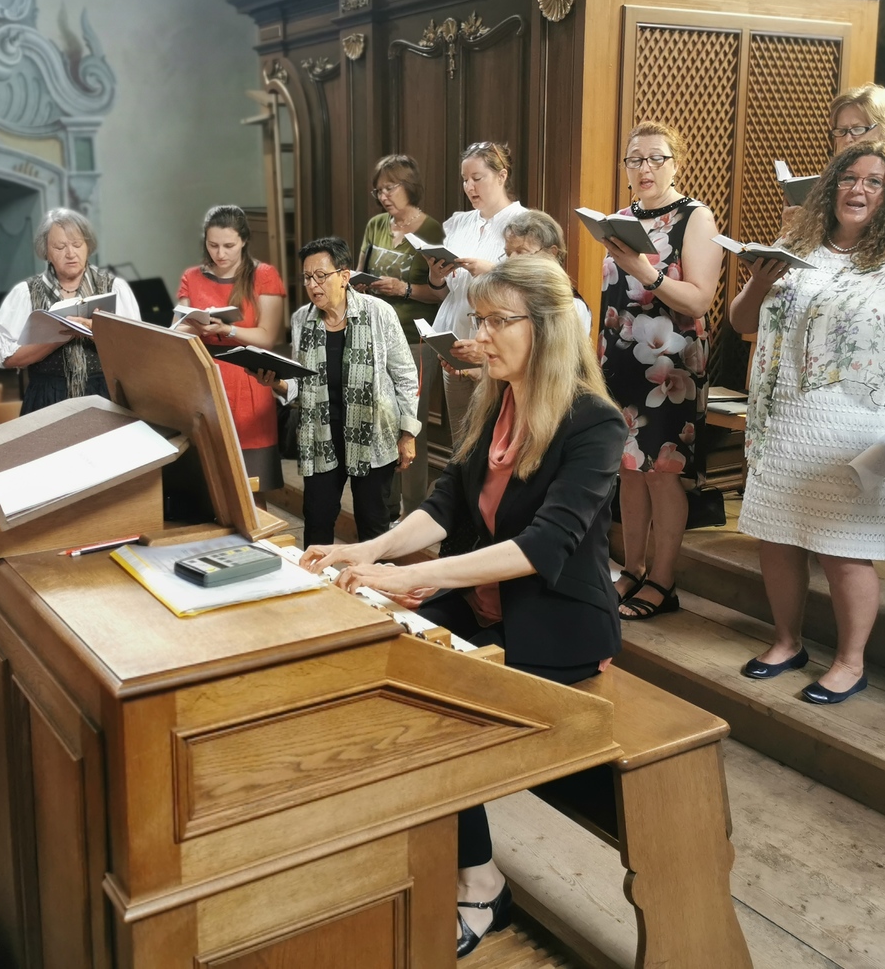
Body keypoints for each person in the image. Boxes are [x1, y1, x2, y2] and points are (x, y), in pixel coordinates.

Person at [300, 255, 626, 958]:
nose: (480, 336)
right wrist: (368, 551)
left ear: (546, 327)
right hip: (483, 608)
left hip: (558, 626)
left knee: (434, 706)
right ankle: (416, 840)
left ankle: (480, 880)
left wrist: (417, 575)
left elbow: (543, 547)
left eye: (497, 321)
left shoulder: (593, 422)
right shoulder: (496, 398)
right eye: (479, 319)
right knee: (376, 664)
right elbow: (446, 504)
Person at [730, 142, 885, 704]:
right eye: (849, 177)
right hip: (782, 416)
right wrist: (760, 278)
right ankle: (787, 642)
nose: (859, 189)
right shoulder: (796, 242)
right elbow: (741, 320)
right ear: (830, 187)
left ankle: (851, 663)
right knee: (777, 537)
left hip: (855, 425)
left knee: (844, 548)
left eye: (875, 182)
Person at [598, 122, 719, 620]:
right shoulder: (620, 219)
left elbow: (699, 299)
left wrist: (647, 271)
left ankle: (664, 582)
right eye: (634, 159)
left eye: (655, 158)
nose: (644, 168)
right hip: (621, 361)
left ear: (676, 164)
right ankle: (633, 568)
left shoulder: (695, 218)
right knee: (629, 472)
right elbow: (613, 300)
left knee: (662, 473)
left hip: (672, 367)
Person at [258, 237, 420, 547]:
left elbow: (406, 377)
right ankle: (316, 577)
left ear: (344, 276)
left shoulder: (378, 313)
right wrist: (276, 383)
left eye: (321, 276)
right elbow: (300, 383)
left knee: (373, 523)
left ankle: (373, 579)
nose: (312, 285)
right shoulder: (302, 320)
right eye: (307, 277)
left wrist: (408, 434)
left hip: (372, 435)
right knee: (317, 519)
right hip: (321, 436)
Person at [355, 155, 446, 518]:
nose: (383, 197)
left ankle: (414, 513)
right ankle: (385, 510)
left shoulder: (432, 230)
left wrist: (403, 288)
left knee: (410, 428)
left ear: (409, 185)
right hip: (375, 336)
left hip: (415, 340)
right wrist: (360, 283)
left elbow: (442, 293)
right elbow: (359, 272)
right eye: (378, 191)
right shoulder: (376, 225)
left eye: (389, 188)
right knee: (380, 424)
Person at [175, 205, 287, 493]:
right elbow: (174, 330)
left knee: (252, 488)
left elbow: (267, 337)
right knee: (209, 487)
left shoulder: (263, 275)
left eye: (229, 246)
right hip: (205, 380)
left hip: (247, 379)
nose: (220, 253)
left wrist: (227, 330)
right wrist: (200, 326)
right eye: (213, 245)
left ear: (244, 241)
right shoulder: (192, 276)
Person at [0, 208, 141, 412]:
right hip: (47, 398)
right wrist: (58, 337)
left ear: (88, 246)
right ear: (46, 252)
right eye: (60, 247)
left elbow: (135, 350)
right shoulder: (25, 293)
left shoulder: (114, 288)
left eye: (77, 244)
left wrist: (96, 331)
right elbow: (10, 359)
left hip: (103, 395)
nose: (70, 254)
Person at [429, 142, 527, 447]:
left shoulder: (524, 223)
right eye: (465, 180)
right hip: (454, 342)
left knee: (496, 441)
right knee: (461, 441)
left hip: (496, 348)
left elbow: (535, 287)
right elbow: (444, 292)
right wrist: (436, 276)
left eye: (477, 178)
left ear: (501, 175)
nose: (469, 187)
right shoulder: (459, 222)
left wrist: (491, 271)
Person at [780, 84, 885, 229]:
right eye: (841, 130)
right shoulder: (827, 180)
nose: (847, 139)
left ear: (884, 132)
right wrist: (791, 228)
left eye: (858, 129)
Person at [502, 209, 594, 337]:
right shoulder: (504, 294)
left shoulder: (571, 306)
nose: (511, 260)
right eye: (508, 253)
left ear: (551, 253)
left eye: (521, 252)